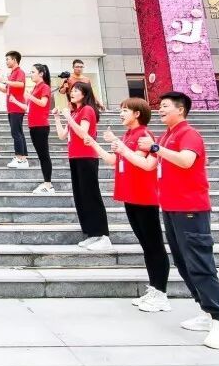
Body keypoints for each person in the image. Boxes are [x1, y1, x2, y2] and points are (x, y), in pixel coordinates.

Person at [130, 91, 219, 349]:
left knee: (199, 263)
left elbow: (187, 161)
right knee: (183, 262)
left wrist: (155, 148)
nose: (160, 109)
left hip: (191, 209)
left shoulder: (189, 134)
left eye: (165, 106)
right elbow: (148, 165)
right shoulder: (166, 136)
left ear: (180, 109)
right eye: (160, 105)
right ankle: (206, 312)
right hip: (170, 208)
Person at [66, 97, 170, 312]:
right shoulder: (128, 135)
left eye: (125, 110)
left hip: (145, 197)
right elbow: (113, 161)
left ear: (137, 114)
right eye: (121, 110)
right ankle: (154, 289)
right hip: (131, 196)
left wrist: (122, 148)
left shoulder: (144, 134)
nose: (121, 114)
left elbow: (145, 164)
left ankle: (161, 293)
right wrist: (94, 143)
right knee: (146, 245)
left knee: (154, 245)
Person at [53, 81, 110, 251]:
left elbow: (83, 132)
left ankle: (103, 235)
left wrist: (68, 117)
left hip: (87, 157)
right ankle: (92, 234)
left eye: (77, 90)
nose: (72, 92)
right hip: (75, 157)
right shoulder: (75, 112)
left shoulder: (87, 110)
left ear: (84, 94)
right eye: (72, 90)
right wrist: (58, 117)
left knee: (91, 196)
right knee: (81, 197)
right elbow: (62, 135)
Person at [8, 64, 54, 194]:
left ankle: (48, 185)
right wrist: (15, 101)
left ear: (41, 73)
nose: (31, 74)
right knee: (41, 155)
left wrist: (30, 97)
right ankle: (46, 183)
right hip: (33, 125)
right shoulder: (35, 88)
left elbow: (43, 103)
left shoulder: (44, 87)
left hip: (41, 126)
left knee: (44, 155)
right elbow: (28, 107)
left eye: (33, 72)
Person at [0, 51, 28, 168]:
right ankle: (23, 158)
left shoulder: (20, 72)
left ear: (14, 60)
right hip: (11, 108)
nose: (6, 61)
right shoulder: (12, 73)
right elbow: (7, 90)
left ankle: (20, 158)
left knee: (16, 133)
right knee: (18, 133)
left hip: (17, 107)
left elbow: (21, 84)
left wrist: (6, 80)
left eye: (8, 59)